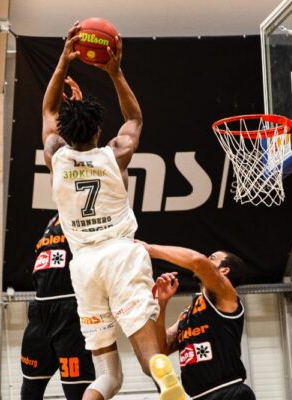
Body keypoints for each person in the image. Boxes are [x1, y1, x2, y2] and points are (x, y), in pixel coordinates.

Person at [41, 21, 185, 400]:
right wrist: (115, 72)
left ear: (65, 132)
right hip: (122, 256)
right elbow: (134, 119)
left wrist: (64, 60)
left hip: (84, 266)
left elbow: (49, 110)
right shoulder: (115, 154)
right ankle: (163, 374)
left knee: (108, 376)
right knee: (150, 357)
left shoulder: (56, 155)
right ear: (97, 131)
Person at [143, 242, 256, 400]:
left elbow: (197, 261)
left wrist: (149, 249)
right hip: (199, 396)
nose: (207, 260)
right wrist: (161, 304)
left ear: (224, 270)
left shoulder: (226, 295)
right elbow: (162, 349)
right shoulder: (189, 312)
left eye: (212, 258)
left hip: (228, 391)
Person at [20, 214, 95, 399]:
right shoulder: (53, 220)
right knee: (29, 389)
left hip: (70, 311)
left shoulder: (86, 213)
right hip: (39, 312)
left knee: (77, 391)